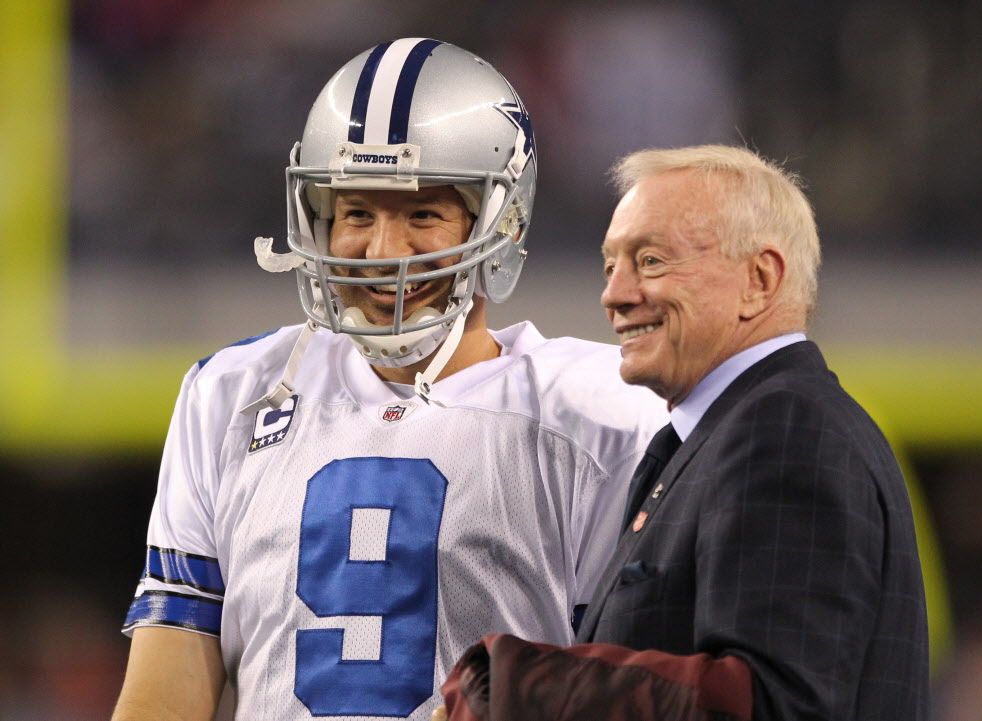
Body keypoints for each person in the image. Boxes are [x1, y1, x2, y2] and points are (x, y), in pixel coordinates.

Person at [110, 39, 667, 721]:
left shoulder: (598, 412)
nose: (382, 251)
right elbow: (166, 686)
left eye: (421, 214)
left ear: (502, 221)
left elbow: (625, 692)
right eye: (357, 213)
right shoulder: (232, 393)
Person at [437, 145, 929, 721]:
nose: (614, 295)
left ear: (760, 279)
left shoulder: (784, 430)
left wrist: (523, 690)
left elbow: (775, 705)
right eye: (610, 266)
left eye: (649, 261)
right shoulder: (724, 435)